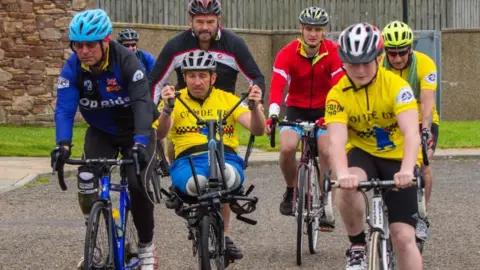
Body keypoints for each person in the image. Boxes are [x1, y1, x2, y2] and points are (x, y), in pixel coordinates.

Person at [50, 9, 159, 270]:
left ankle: (146, 245)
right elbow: (64, 108)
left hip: (136, 129)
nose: (84, 51)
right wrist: (62, 144)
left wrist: (142, 142)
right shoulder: (73, 67)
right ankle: (95, 243)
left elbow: (143, 103)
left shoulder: (127, 61)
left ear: (105, 41)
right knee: (87, 179)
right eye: (78, 45)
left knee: (136, 181)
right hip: (102, 130)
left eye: (90, 44)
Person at [325, 23, 423, 270]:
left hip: (400, 158)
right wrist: (343, 174)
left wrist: (408, 170)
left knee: (403, 237)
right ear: (343, 62)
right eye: (352, 63)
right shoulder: (337, 94)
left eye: (366, 62)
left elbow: (411, 133)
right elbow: (336, 141)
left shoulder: (397, 87)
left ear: (379, 58)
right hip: (364, 154)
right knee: (345, 185)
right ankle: (357, 245)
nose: (359, 70)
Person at [155, 50, 265, 261]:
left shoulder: (228, 99)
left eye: (203, 75)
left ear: (213, 77)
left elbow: (257, 129)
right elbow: (160, 133)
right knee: (199, 183)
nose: (197, 81)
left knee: (223, 177)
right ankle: (200, 219)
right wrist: (167, 110)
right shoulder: (174, 100)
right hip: (188, 161)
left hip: (226, 158)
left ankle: (224, 236)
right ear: (184, 78)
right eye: (192, 76)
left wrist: (256, 108)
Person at [148, 0, 265, 163]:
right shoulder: (175, 46)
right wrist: (150, 113)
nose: (205, 27)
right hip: (187, 107)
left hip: (224, 107)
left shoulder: (234, 44)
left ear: (219, 20)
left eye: (210, 22)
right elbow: (155, 81)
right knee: (179, 146)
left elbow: (256, 77)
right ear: (190, 20)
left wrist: (256, 103)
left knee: (223, 149)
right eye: (199, 22)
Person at [265, 6, 344, 220]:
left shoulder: (333, 52)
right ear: (301, 29)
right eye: (309, 28)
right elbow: (277, 85)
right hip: (296, 109)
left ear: (324, 31)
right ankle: (291, 191)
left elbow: (339, 86)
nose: (313, 33)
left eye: (318, 29)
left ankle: (326, 201)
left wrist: (334, 115)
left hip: (325, 110)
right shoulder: (287, 53)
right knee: (287, 148)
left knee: (327, 151)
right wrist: (273, 113)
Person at [381, 20, 438, 244]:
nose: (396, 58)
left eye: (402, 53)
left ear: (410, 48)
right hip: (392, 119)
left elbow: (427, 100)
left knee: (423, 162)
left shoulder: (425, 63)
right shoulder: (378, 64)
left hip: (420, 117)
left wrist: (425, 132)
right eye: (391, 53)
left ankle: (422, 215)